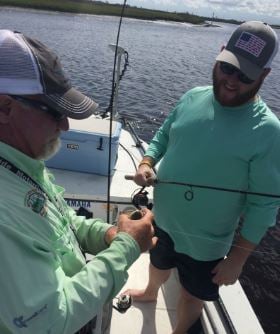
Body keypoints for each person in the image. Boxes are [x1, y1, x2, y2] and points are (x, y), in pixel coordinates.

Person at [123, 21, 280, 334]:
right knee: (157, 263)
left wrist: (238, 258)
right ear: (219, 55)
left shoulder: (268, 132)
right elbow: (164, 134)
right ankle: (151, 292)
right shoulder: (192, 96)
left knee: (192, 294)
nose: (231, 80)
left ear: (263, 76)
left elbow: (263, 205)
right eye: (227, 67)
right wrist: (147, 162)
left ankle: (179, 330)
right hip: (163, 218)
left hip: (207, 242)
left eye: (245, 75)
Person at [0, 29, 157, 334]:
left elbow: (56, 221)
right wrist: (126, 246)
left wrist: (108, 234)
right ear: (5, 108)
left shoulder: (20, 162)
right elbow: (51, 321)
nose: (65, 124)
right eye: (54, 111)